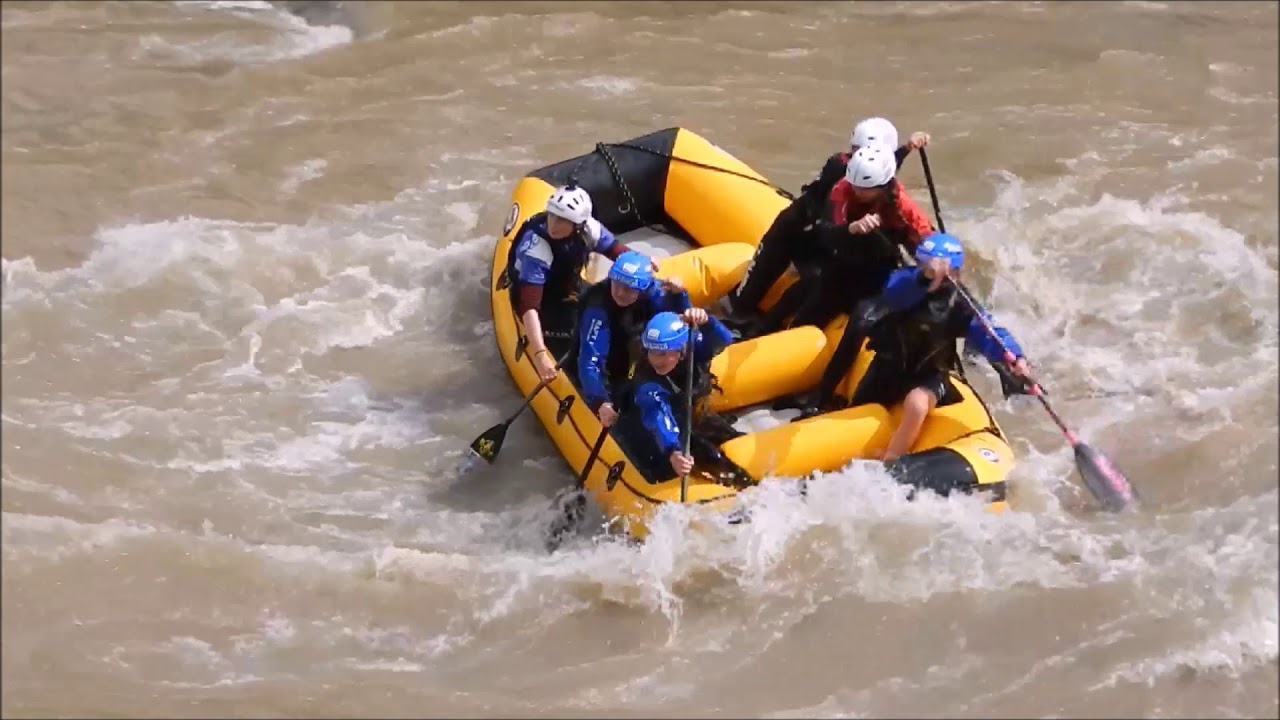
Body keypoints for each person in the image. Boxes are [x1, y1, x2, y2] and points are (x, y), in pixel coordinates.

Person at [841, 232, 1031, 462]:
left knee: (917, 404)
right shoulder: (904, 281)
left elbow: (989, 332)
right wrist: (925, 280)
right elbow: (894, 293)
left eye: (934, 269)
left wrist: (1015, 356)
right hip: (889, 366)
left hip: (930, 373)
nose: (927, 271)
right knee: (859, 411)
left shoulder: (961, 304)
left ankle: (892, 458)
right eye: (923, 265)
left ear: (954, 273)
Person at [726, 117, 930, 325]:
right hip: (798, 228)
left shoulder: (871, 174)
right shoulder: (842, 169)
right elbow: (870, 175)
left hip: (824, 232)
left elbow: (881, 171)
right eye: (855, 150)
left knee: (821, 278)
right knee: (764, 283)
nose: (856, 156)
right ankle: (740, 313)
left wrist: (907, 148)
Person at [749, 143, 937, 342]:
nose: (858, 191)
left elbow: (928, 240)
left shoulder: (904, 207)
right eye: (856, 186)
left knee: (851, 316)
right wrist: (851, 228)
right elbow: (826, 231)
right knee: (803, 290)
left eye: (865, 189)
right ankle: (760, 330)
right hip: (846, 254)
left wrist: (934, 260)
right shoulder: (843, 188)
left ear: (883, 186)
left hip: (880, 266)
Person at [507, 184, 632, 382]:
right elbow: (529, 306)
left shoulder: (588, 229)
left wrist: (644, 263)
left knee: (613, 318)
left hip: (567, 287)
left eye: (562, 220)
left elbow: (617, 251)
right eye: (552, 215)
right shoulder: (537, 248)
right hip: (541, 300)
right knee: (579, 334)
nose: (553, 225)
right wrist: (540, 354)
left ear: (577, 225)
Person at [575, 250, 691, 428]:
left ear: (642, 288)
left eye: (629, 289)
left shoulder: (654, 292)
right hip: (607, 360)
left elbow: (680, 324)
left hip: (633, 352)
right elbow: (590, 360)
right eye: (617, 284)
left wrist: (679, 296)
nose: (621, 293)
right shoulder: (597, 305)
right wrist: (600, 401)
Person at [628, 310, 739, 480]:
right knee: (714, 459)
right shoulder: (647, 383)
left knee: (734, 440)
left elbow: (723, 339)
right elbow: (658, 416)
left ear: (681, 349)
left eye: (663, 354)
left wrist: (707, 321)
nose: (656, 360)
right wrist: (673, 451)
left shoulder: (694, 348)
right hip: (661, 432)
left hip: (693, 415)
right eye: (652, 352)